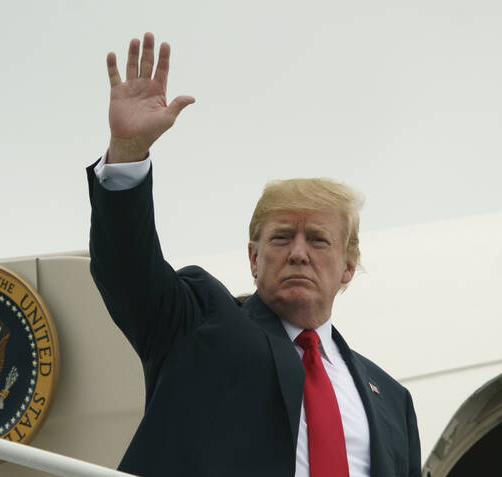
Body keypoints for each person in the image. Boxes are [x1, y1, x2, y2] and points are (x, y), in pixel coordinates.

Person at [87, 32, 421, 477]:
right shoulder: (200, 324)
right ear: (253, 258)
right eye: (282, 238)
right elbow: (127, 268)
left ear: (348, 266)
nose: (298, 253)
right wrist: (128, 153)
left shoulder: (393, 401)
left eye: (318, 240)